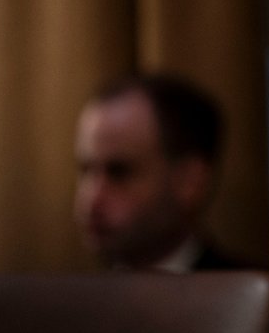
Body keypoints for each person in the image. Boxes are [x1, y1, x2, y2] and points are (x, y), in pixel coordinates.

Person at [74, 73, 237, 272]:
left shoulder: (261, 298)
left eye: (119, 173)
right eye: (86, 171)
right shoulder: (68, 299)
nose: (91, 199)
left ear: (190, 182)